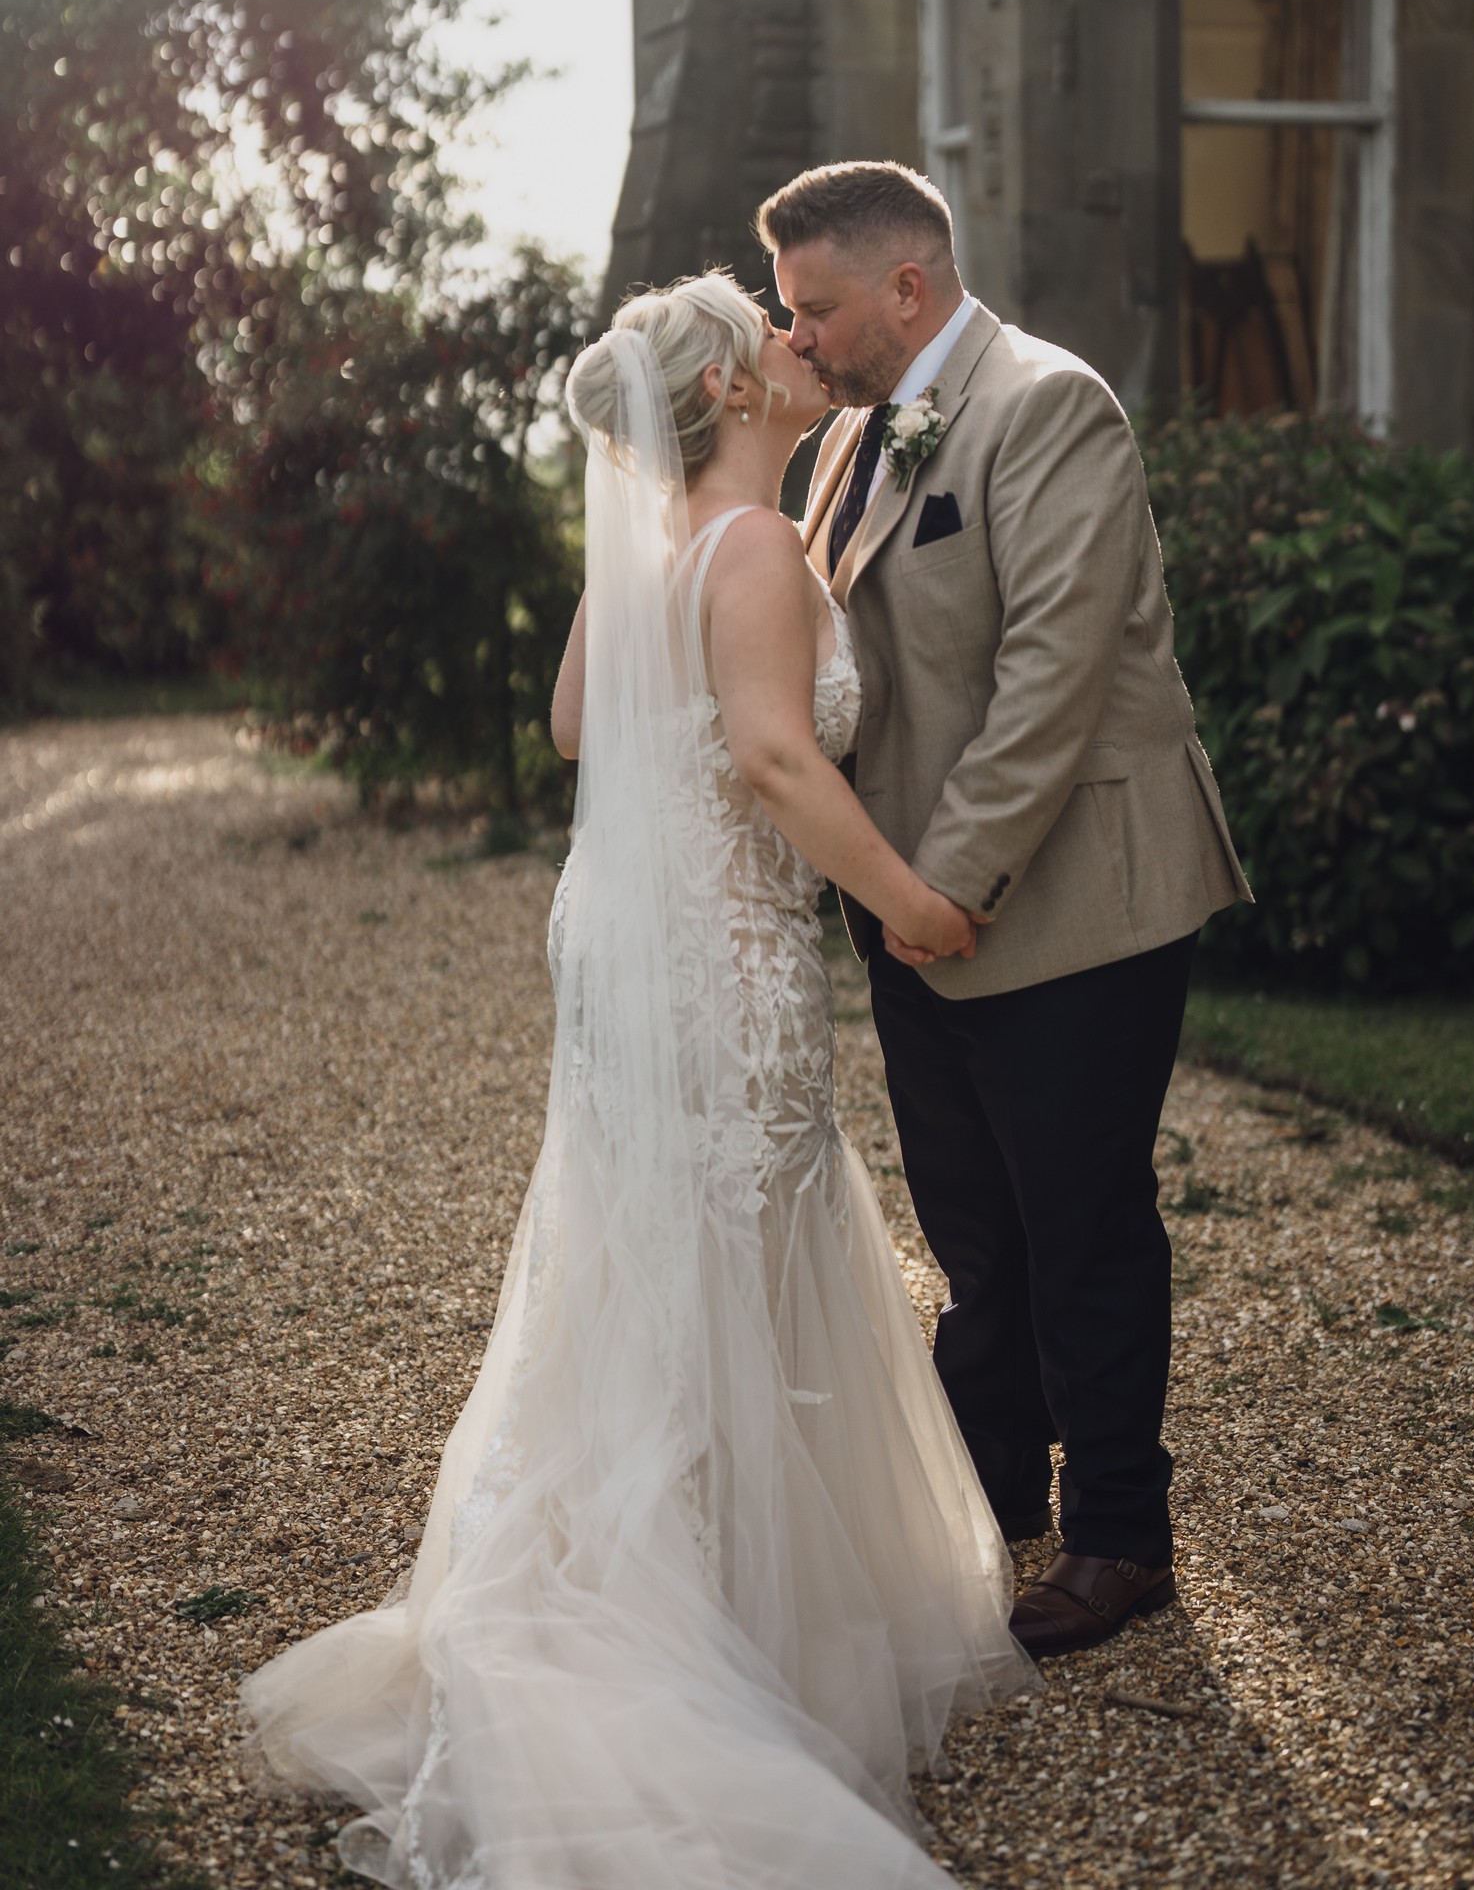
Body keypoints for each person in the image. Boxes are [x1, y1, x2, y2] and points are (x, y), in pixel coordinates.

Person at [240, 272, 1034, 1890]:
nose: (799, 346)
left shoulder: (669, 542)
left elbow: (571, 722)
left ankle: (645, 1580)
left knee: (644, 1255)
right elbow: (770, 756)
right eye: (775, 335)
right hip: (720, 958)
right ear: (734, 392)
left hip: (619, 949)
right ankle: (699, 1642)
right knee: (732, 1241)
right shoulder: (746, 549)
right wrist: (912, 903)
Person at [758, 160, 1251, 1660]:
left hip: (1070, 902)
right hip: (918, 913)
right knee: (979, 1234)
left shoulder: (1051, 406)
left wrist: (945, 884)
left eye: (818, 309)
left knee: (1082, 1222)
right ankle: (992, 1487)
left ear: (907, 286)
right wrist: (871, 885)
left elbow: (1054, 676)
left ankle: (1121, 1534)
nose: (803, 342)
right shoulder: (848, 437)